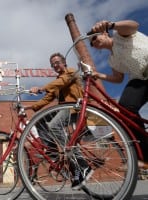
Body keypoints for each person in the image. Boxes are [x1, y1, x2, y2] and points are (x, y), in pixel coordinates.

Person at [26, 52, 94, 190]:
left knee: (54, 125)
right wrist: (32, 107)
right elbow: (48, 97)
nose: (55, 65)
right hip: (65, 109)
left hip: (75, 107)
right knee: (40, 120)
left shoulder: (71, 72)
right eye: (53, 64)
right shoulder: (58, 80)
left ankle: (83, 164)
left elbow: (62, 82)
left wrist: (41, 88)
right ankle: (53, 153)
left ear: (64, 62)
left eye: (57, 62)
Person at [89, 20, 148, 168]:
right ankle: (145, 155)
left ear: (104, 33)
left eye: (95, 38)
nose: (94, 43)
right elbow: (118, 78)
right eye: (92, 43)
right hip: (140, 79)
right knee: (125, 108)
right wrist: (98, 75)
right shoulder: (112, 59)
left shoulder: (119, 35)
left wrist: (111, 25)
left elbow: (134, 25)